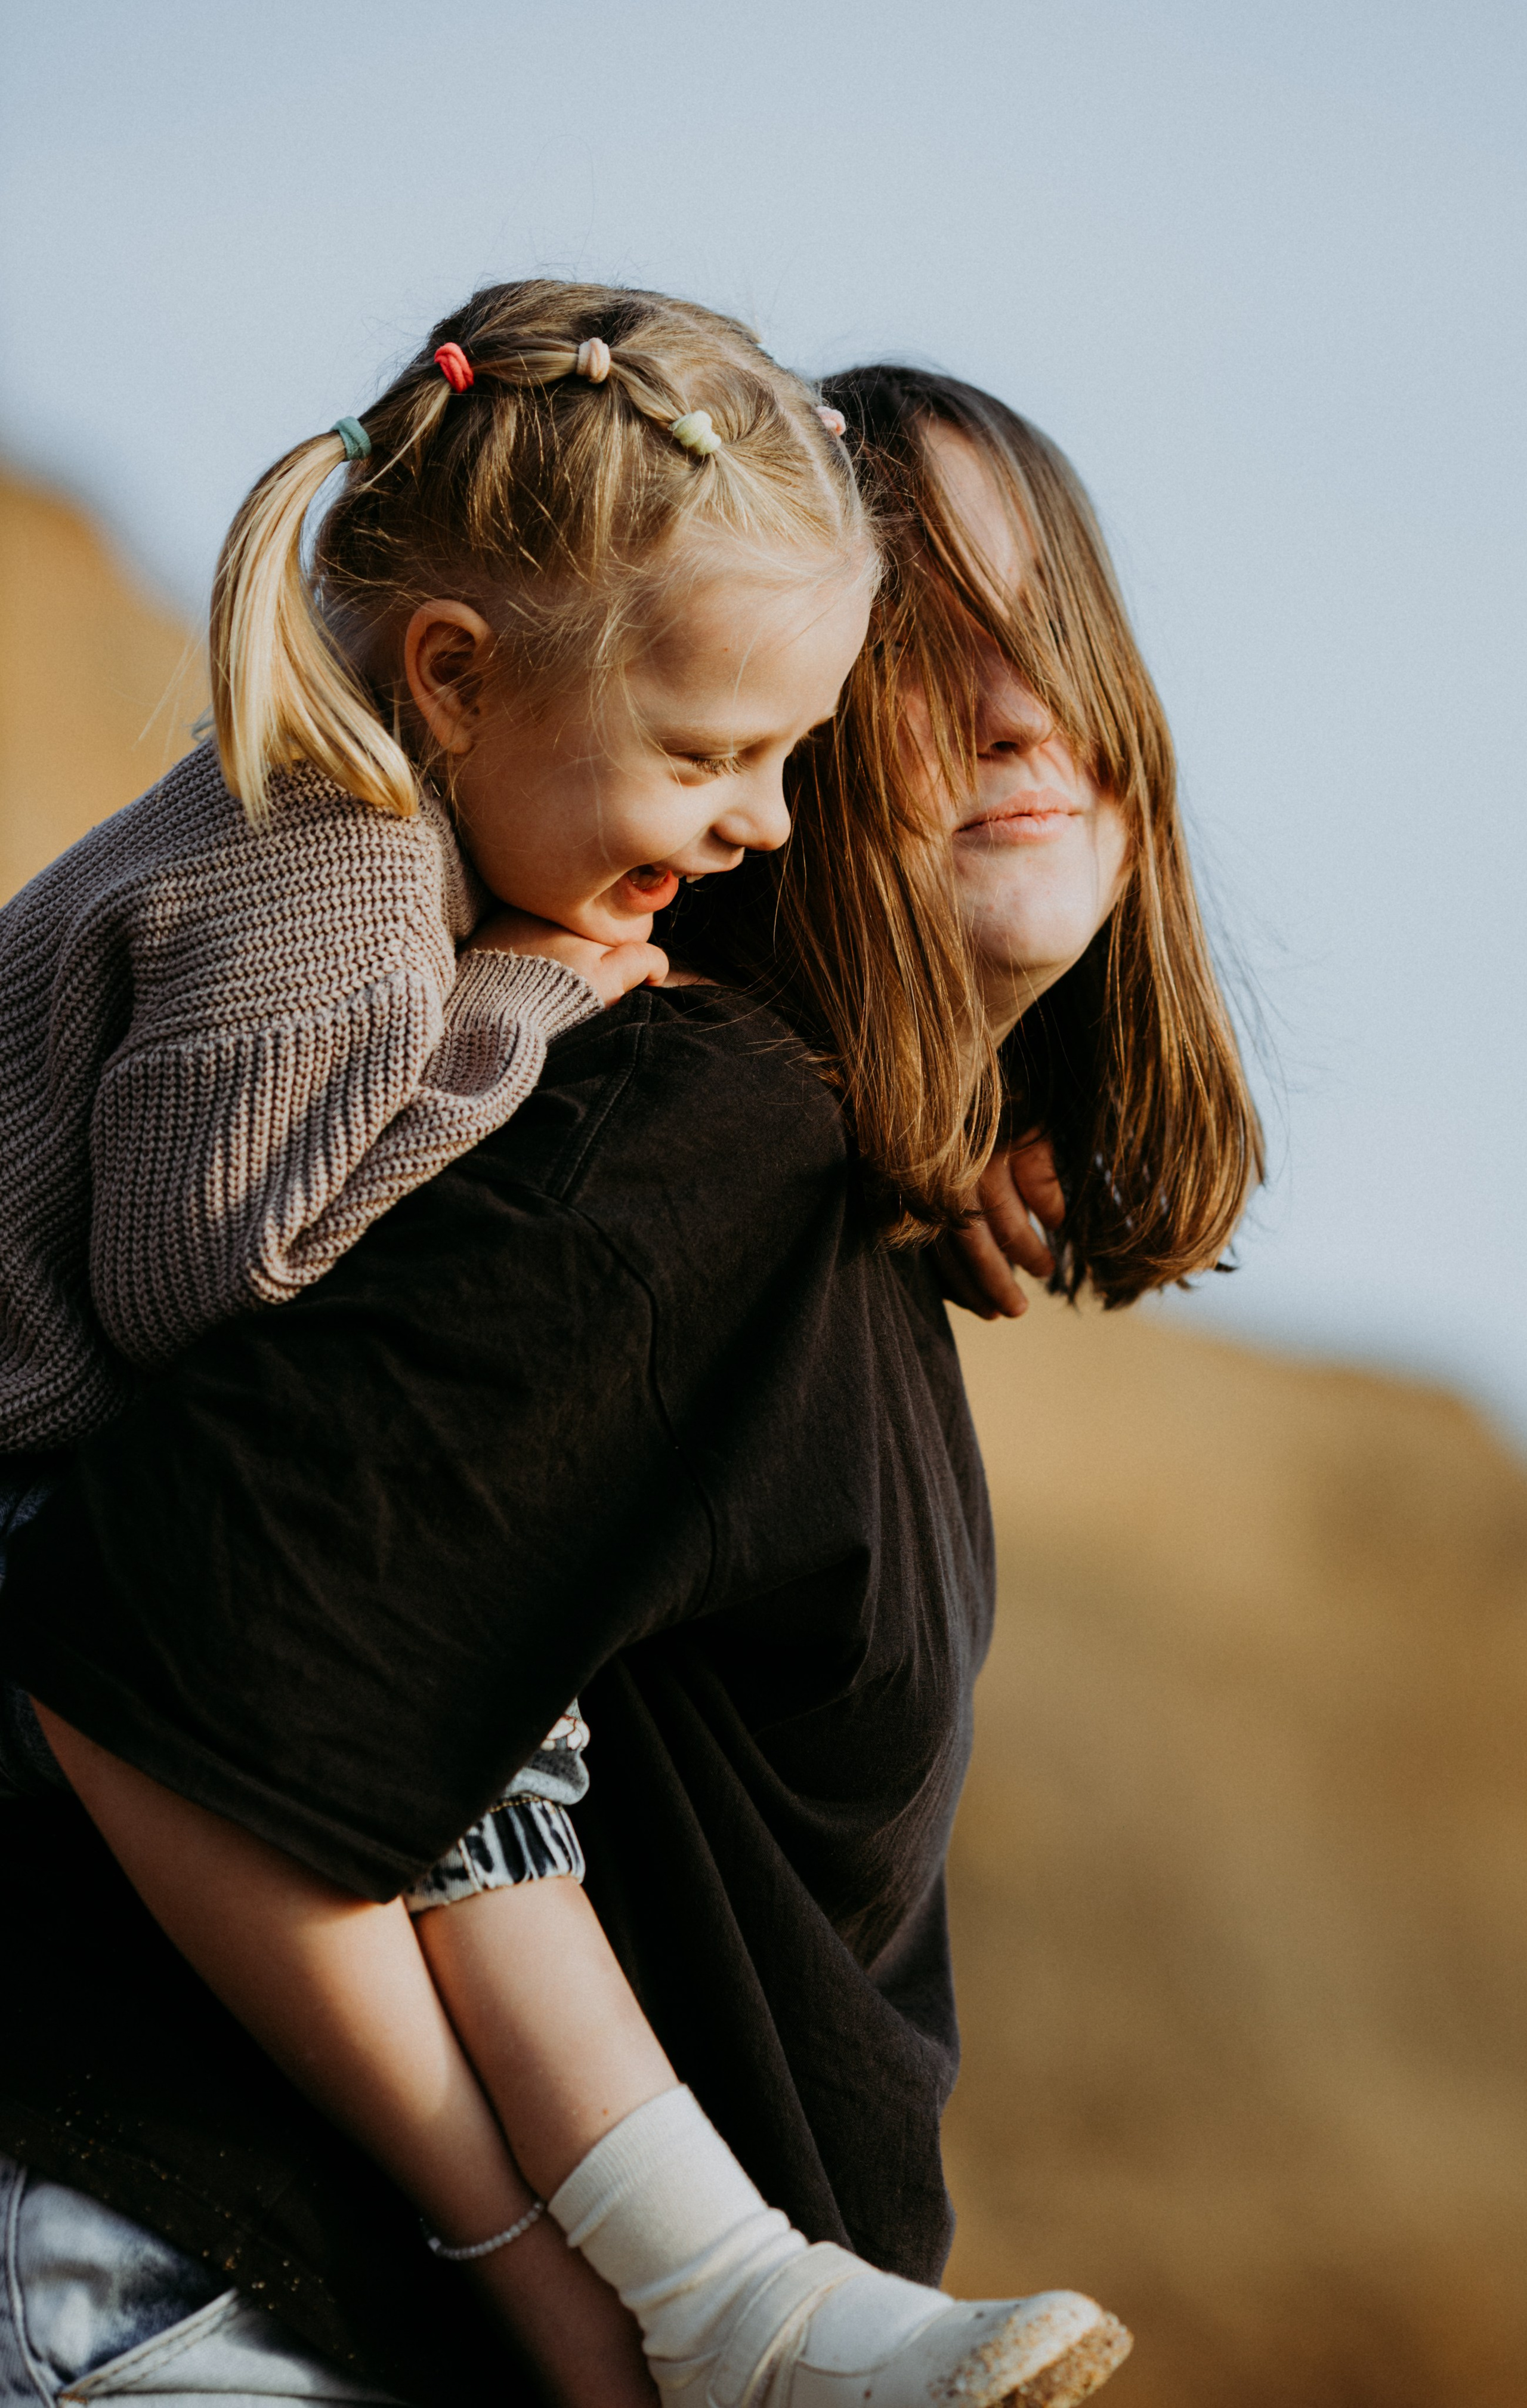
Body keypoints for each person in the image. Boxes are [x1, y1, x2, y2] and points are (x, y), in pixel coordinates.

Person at [0, 356, 1259, 2408]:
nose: (1029, 697)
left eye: (1061, 621)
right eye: (932, 645)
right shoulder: (685, 1115)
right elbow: (171, 1632)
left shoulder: (787, 1178)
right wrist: (584, 2307)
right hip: (217, 2298)